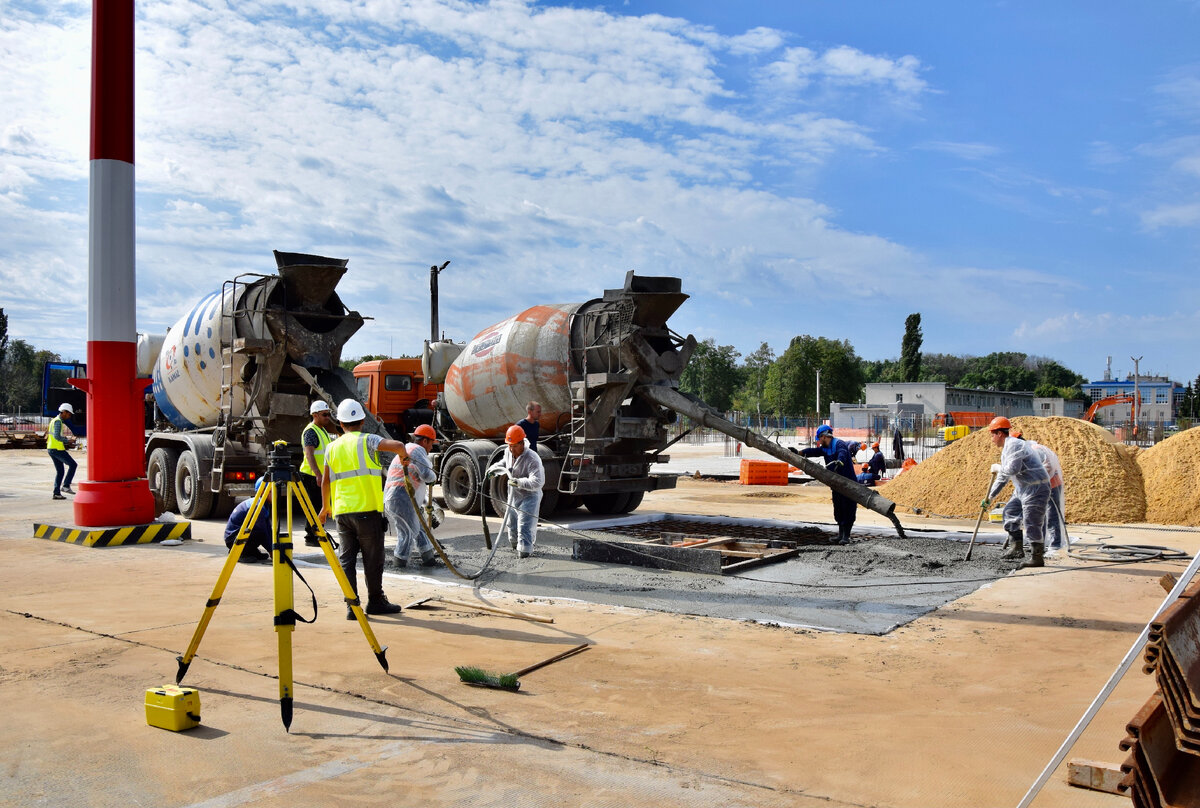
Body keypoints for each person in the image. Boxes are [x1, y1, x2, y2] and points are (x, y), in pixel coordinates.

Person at [316, 399, 411, 619]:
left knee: (347, 560)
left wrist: (324, 507)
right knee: (372, 560)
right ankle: (375, 601)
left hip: (342, 513)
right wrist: (404, 457)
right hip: (367, 511)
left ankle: (352, 607)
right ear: (362, 421)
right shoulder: (369, 440)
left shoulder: (331, 447)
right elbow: (397, 446)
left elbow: (326, 481)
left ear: (340, 422)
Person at [981, 417, 1051, 568]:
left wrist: (999, 467)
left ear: (999, 433)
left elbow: (1012, 469)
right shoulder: (1006, 449)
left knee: (1032, 521)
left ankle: (1037, 557)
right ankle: (1016, 547)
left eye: (992, 435)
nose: (991, 439)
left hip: (1036, 488)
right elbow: (1002, 478)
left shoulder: (1014, 444)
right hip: (1022, 489)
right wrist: (990, 497)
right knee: (1010, 512)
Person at [385, 423, 440, 569]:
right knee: (407, 532)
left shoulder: (408, 448)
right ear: (425, 441)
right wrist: (434, 477)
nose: (431, 448)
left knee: (418, 527)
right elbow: (427, 475)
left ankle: (429, 558)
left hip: (397, 497)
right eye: (431, 444)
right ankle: (399, 563)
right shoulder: (417, 450)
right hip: (401, 496)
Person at [799, 425, 863, 545]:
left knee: (848, 508)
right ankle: (840, 534)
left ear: (824, 436)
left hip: (847, 483)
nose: (819, 441)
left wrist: (840, 461)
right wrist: (800, 452)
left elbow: (842, 453)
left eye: (819, 438)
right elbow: (814, 451)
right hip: (836, 484)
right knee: (838, 508)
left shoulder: (839, 444)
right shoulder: (825, 448)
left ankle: (846, 536)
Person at [488, 424, 544, 558]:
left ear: (521, 443)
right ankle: (515, 546)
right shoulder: (509, 451)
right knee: (511, 524)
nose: (511, 449)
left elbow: (538, 482)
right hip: (513, 496)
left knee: (524, 526)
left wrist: (519, 482)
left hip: (529, 497)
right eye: (509, 445)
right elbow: (504, 464)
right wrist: (493, 470)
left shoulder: (532, 458)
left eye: (514, 446)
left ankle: (525, 552)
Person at [299, 400, 335, 547]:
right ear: (315, 415)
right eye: (324, 414)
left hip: (318, 475)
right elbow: (309, 455)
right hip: (311, 475)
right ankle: (311, 536)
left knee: (320, 504)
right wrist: (319, 475)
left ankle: (317, 532)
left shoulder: (322, 430)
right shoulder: (311, 431)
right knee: (313, 506)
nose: (328, 417)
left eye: (329, 414)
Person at [223, 479, 274, 563]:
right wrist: (271, 551)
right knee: (260, 532)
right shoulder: (257, 507)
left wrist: (273, 546)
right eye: (271, 491)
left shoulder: (263, 504)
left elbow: (268, 528)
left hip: (239, 535)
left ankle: (251, 551)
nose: (275, 494)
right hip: (233, 539)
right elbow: (263, 532)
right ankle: (240, 553)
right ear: (262, 492)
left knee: (264, 531)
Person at [47, 402, 78, 500]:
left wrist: (67, 442)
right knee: (73, 465)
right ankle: (66, 485)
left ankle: (56, 493)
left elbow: (55, 436)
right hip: (57, 449)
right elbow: (57, 436)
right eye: (69, 414)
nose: (69, 416)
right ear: (64, 412)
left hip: (52, 448)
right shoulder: (58, 422)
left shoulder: (55, 420)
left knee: (60, 471)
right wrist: (68, 440)